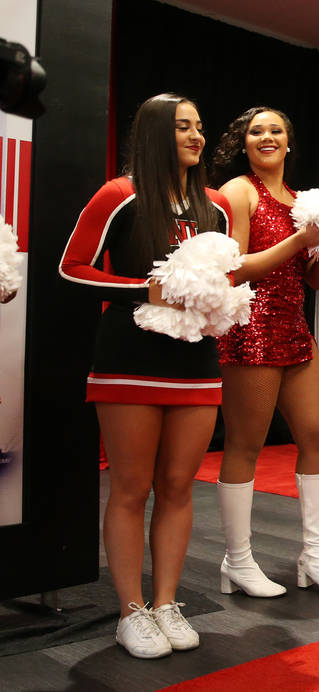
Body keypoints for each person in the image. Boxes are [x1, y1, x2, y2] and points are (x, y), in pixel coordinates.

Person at [58, 94, 232, 659]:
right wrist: (142, 288)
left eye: (199, 127)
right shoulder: (120, 194)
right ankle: (130, 611)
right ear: (155, 132)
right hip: (130, 359)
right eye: (183, 126)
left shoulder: (217, 206)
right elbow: (70, 267)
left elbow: (225, 278)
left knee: (180, 487)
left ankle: (166, 603)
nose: (195, 136)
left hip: (196, 363)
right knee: (132, 487)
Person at [210, 107, 319, 598]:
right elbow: (235, 270)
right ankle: (237, 561)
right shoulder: (239, 191)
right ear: (244, 143)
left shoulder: (302, 200)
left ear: (289, 142)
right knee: (245, 445)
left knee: (318, 436)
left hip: (295, 331)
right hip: (250, 331)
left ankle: (314, 557)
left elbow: (312, 279)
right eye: (256, 131)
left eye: (275, 130)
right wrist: (300, 239)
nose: (266, 137)